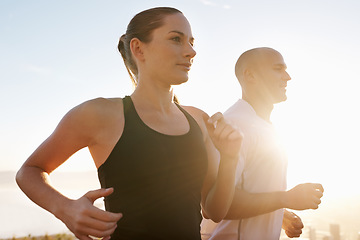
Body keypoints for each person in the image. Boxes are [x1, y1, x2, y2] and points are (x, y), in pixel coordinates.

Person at [16, 7, 243, 240]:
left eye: (191, 42)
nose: (191, 51)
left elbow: (214, 211)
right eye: (176, 39)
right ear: (137, 48)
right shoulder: (100, 114)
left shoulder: (199, 120)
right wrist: (65, 208)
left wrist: (230, 158)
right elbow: (29, 171)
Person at [201, 47, 324, 240]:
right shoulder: (235, 125)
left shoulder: (265, 126)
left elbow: (251, 188)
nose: (288, 77)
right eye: (278, 69)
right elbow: (217, 207)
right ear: (250, 75)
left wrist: (278, 214)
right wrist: (287, 198)